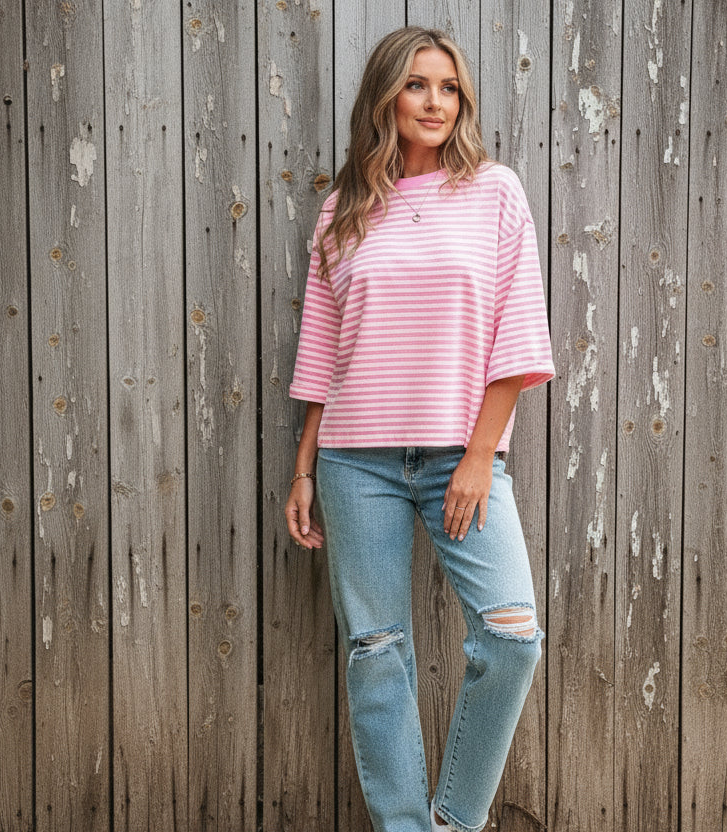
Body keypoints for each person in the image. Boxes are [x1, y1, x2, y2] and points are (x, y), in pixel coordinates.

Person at [284, 25, 554, 832]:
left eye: (448, 87)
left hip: (456, 459)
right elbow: (322, 355)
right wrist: (304, 470)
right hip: (353, 463)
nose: (435, 102)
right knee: (377, 655)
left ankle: (453, 822)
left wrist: (479, 456)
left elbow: (519, 334)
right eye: (416, 85)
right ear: (386, 98)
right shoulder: (342, 210)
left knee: (512, 637)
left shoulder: (494, 191)